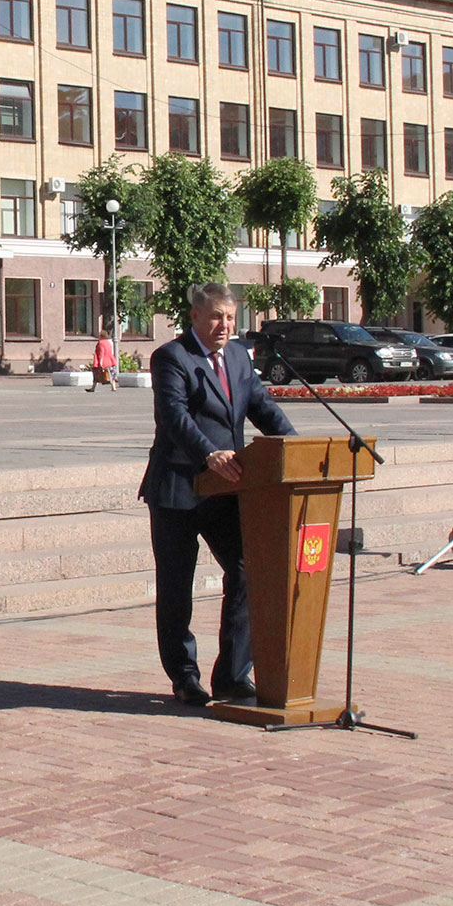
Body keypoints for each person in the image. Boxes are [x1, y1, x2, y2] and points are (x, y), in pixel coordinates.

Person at [139, 281, 295, 708]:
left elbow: (263, 408)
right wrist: (209, 454)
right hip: (178, 489)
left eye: (230, 317)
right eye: (215, 317)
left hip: (227, 490)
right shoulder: (172, 357)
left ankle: (232, 676)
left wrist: (297, 449)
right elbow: (174, 416)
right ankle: (184, 677)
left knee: (247, 570)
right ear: (195, 317)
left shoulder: (240, 357)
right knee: (177, 587)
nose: (224, 325)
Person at [90, 328, 118, 393]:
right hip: (111, 361)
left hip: (103, 362)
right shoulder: (108, 342)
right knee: (111, 374)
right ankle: (113, 387)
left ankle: (93, 388)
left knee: (96, 375)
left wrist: (100, 362)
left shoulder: (100, 343)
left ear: (101, 336)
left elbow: (101, 353)